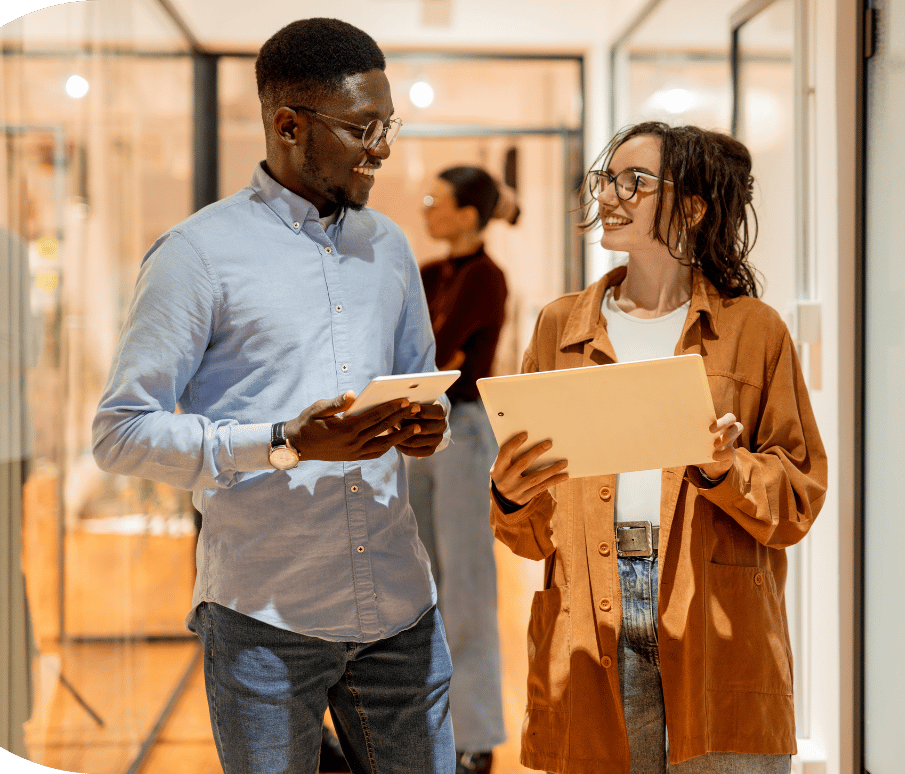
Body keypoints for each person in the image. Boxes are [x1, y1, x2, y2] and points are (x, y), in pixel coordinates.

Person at [92, 18, 456, 774]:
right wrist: (285, 442)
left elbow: (424, 381)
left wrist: (429, 425)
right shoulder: (196, 255)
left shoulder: (388, 247)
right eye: (363, 128)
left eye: (386, 124)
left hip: (400, 610)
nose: (382, 147)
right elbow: (120, 432)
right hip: (265, 621)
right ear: (289, 124)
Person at [488, 122, 827, 774]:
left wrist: (726, 468)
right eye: (605, 179)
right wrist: (508, 493)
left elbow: (798, 501)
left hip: (719, 620)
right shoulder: (560, 327)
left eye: (634, 182)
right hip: (589, 618)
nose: (610, 195)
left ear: (693, 208)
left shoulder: (754, 331)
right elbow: (528, 537)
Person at [409, 166, 517, 774]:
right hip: (418, 434)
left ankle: (474, 737)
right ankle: (427, 728)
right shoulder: (428, 274)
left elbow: (437, 351)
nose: (427, 209)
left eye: (437, 201)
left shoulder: (486, 279)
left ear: (469, 214)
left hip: (465, 432)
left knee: (467, 588)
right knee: (420, 586)